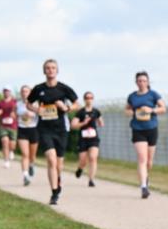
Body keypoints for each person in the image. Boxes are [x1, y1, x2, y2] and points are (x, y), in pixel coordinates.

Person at [27, 59, 78, 205]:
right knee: (51, 159)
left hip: (61, 129)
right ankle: (54, 192)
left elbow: (76, 104)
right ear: (44, 71)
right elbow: (29, 104)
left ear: (57, 70)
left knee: (59, 165)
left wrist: (66, 108)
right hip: (44, 129)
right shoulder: (38, 89)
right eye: (48, 68)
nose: (50, 70)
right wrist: (37, 109)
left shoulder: (63, 88)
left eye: (53, 68)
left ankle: (58, 180)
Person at [125, 71, 166, 199]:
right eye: (139, 80)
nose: (141, 82)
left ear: (148, 82)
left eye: (144, 80)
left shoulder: (153, 94)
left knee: (148, 160)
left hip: (151, 128)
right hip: (137, 129)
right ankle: (143, 187)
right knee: (142, 158)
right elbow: (126, 110)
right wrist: (133, 113)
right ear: (136, 82)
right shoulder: (132, 96)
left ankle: (146, 178)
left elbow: (163, 108)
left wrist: (151, 110)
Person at [71, 91, 103, 187]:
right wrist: (83, 123)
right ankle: (80, 168)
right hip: (83, 139)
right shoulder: (80, 112)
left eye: (91, 98)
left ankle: (91, 180)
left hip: (93, 138)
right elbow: (73, 125)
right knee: (83, 161)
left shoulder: (96, 111)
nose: (89, 99)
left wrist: (100, 123)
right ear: (84, 99)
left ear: (93, 99)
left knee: (93, 158)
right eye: (87, 98)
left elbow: (101, 122)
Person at [16, 85, 40, 186]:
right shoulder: (18, 104)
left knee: (32, 155)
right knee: (25, 154)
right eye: (23, 91)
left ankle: (31, 165)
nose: (24, 93)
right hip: (22, 130)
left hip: (34, 129)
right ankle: (25, 176)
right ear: (21, 93)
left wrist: (33, 113)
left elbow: (41, 113)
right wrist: (22, 114)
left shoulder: (36, 103)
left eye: (26, 91)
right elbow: (15, 114)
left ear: (30, 93)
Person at [0, 87, 18, 168]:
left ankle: (12, 151)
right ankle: (6, 161)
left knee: (12, 144)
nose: (6, 93)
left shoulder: (15, 101)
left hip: (13, 125)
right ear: (3, 93)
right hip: (3, 125)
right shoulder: (0, 103)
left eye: (8, 91)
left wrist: (15, 114)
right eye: (5, 91)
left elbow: (20, 111)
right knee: (4, 142)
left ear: (10, 92)